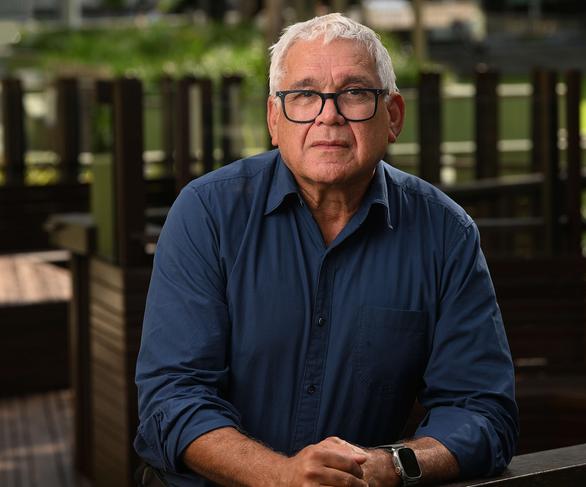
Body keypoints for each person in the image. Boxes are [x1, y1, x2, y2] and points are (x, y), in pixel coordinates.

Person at [135, 13, 518, 487]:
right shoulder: (207, 213)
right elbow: (172, 400)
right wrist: (281, 475)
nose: (328, 115)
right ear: (275, 119)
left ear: (392, 115)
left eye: (355, 93)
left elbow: (481, 411)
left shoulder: (445, 232)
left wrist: (391, 465)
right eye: (304, 95)